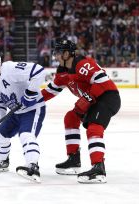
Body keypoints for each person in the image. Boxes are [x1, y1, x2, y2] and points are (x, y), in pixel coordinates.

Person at [41, 38, 121, 184]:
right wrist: (30, 101)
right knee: (71, 117)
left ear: (66, 54)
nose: (55, 56)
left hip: (107, 97)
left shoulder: (82, 64)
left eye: (58, 52)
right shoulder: (62, 71)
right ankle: (74, 159)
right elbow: (50, 91)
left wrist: (88, 98)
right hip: (92, 100)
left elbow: (102, 80)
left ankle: (98, 168)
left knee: (93, 127)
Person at [0, 50, 46, 183]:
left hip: (32, 109)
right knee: (1, 135)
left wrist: (30, 93)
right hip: (15, 112)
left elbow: (39, 71)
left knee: (26, 135)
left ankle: (33, 166)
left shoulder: (10, 69)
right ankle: (2, 161)